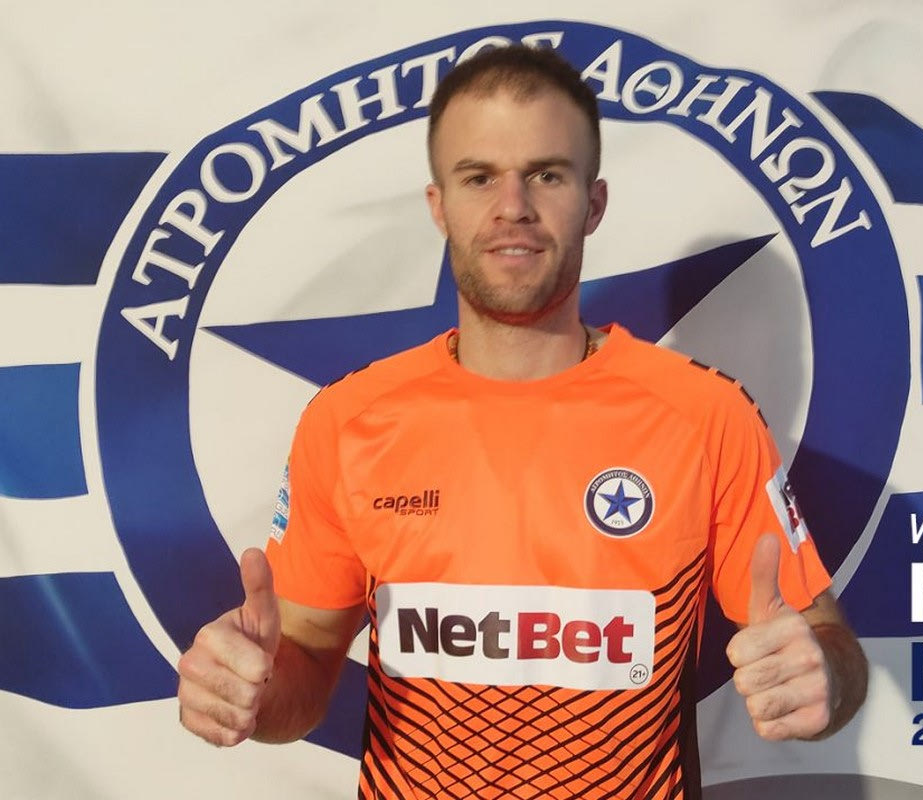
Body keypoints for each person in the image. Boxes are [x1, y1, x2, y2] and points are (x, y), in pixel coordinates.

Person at [177, 44, 867, 798]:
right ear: (439, 205)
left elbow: (826, 642)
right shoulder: (348, 420)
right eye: (479, 177)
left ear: (593, 204)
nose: (513, 206)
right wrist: (255, 689)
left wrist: (823, 677)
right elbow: (305, 662)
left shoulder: (707, 416)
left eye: (546, 174)